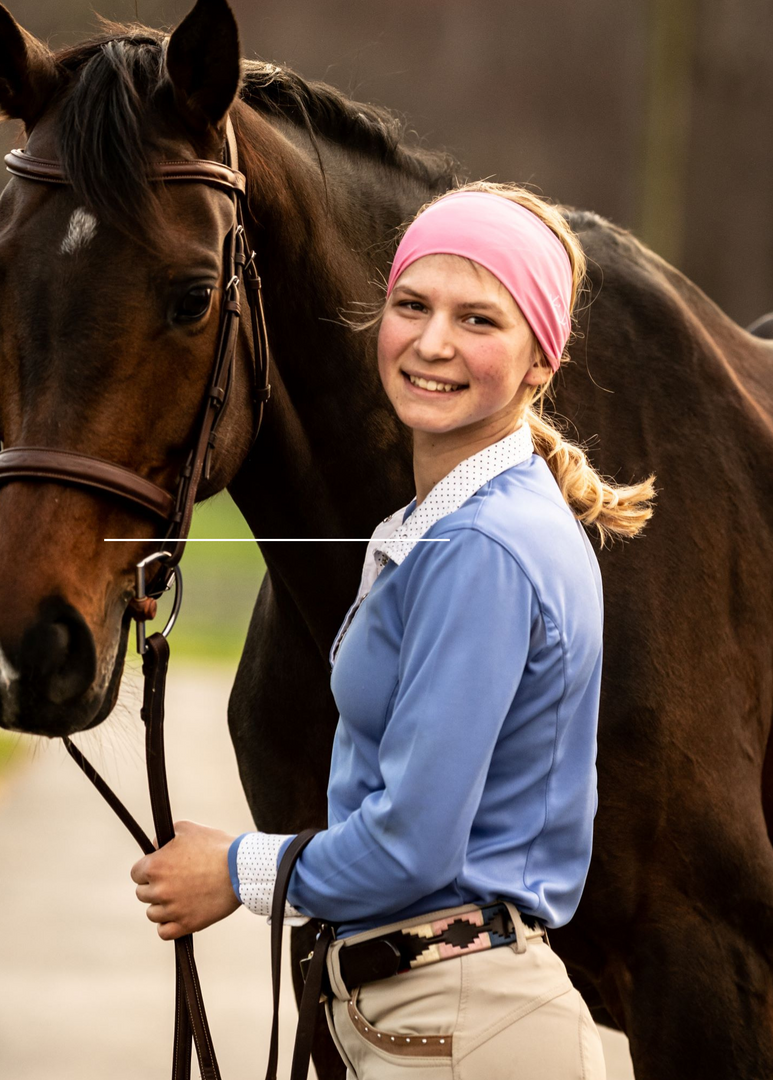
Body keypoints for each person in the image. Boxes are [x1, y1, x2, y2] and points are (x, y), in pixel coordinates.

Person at [130, 181, 656, 1078]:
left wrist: (235, 871)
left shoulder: (483, 546)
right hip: (434, 1026)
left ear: (541, 363)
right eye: (412, 304)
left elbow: (412, 844)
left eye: (480, 320)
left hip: (464, 1031)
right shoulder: (452, 523)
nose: (434, 341)